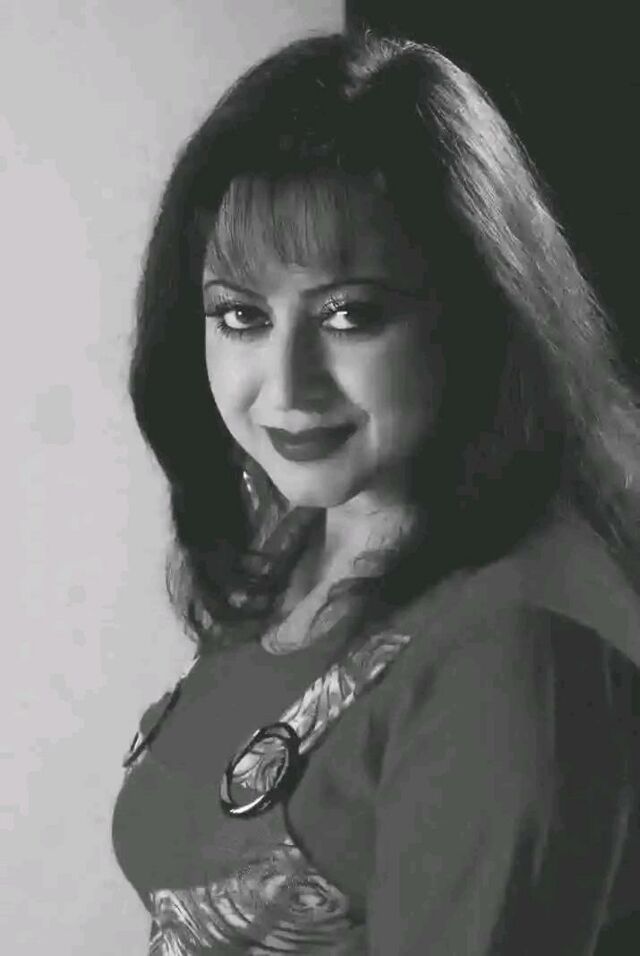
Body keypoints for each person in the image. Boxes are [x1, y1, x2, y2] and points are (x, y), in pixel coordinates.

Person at [112, 29, 640, 954]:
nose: (287, 386)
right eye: (241, 315)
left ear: (477, 309)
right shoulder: (301, 527)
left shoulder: (514, 647)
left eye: (350, 313)